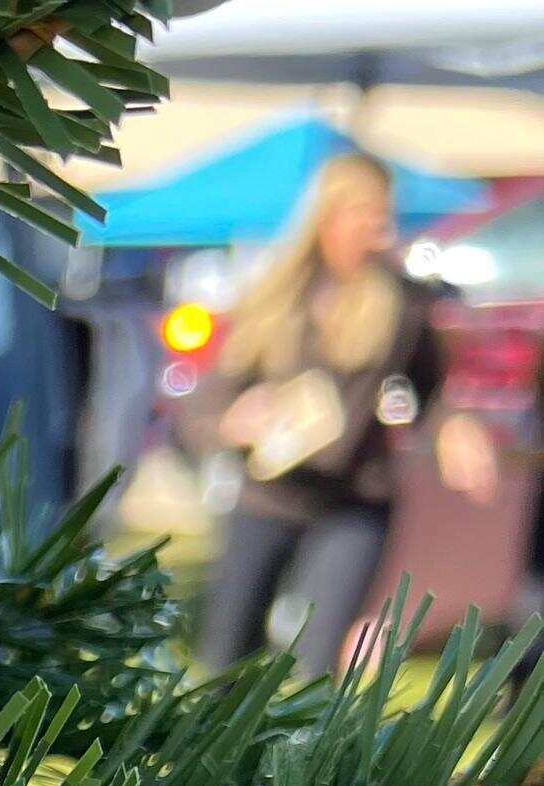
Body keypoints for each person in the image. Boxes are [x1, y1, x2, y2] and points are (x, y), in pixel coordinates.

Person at [197, 151, 491, 676]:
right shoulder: (276, 295)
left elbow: (434, 394)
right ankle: (215, 755)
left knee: (318, 661)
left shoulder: (400, 301)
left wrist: (456, 430)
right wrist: (233, 420)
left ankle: (303, 757)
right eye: (366, 215)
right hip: (268, 495)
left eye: (384, 216)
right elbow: (211, 398)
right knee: (226, 657)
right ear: (328, 218)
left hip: (354, 501)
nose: (378, 230)